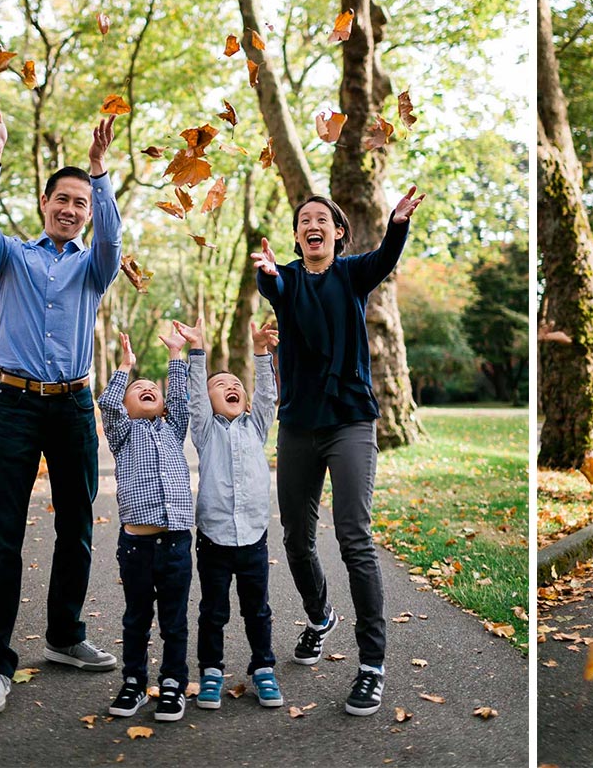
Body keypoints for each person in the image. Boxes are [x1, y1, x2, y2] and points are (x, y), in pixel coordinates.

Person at [0, 98, 123, 716]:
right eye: (64, 199)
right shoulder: (12, 257)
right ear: (45, 204)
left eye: (82, 202)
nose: (71, 209)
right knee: (1, 536)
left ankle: (65, 636)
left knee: (77, 530)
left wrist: (99, 170)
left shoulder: (95, 266)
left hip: (75, 409)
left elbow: (111, 235)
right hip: (17, 405)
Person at [249, 185, 426, 717]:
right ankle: (320, 616)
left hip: (350, 420)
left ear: (337, 231)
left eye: (321, 218)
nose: (312, 225)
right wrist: (267, 275)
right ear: (299, 235)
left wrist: (397, 224)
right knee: (296, 540)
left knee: (354, 537)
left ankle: (372, 664)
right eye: (304, 220)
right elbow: (271, 283)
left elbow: (386, 258)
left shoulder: (352, 274)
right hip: (298, 425)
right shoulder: (288, 278)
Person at [188, 318, 284, 713]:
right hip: (214, 539)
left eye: (236, 386)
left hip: (254, 540)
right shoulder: (205, 431)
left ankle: (263, 668)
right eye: (219, 385)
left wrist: (261, 352)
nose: (230, 387)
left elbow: (267, 396)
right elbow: (194, 397)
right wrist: (197, 353)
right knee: (213, 611)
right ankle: (211, 671)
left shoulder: (255, 426)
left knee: (257, 609)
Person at [99, 328, 195, 722]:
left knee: (174, 620)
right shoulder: (123, 433)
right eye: (138, 388)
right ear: (126, 406)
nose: (147, 388)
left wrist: (176, 355)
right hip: (136, 546)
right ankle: (134, 682)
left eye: (152, 387)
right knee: (137, 618)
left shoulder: (173, 428)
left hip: (175, 543)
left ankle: (172, 683)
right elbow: (106, 403)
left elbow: (181, 400)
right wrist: (125, 367)